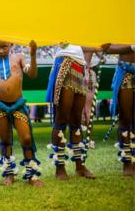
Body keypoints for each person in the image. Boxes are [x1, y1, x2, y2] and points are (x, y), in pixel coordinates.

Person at [0, 39, 43, 187]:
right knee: (5, 140)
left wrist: (33, 55)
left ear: (11, 44)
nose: (0, 51)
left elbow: (32, 74)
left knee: (26, 138)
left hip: (18, 105)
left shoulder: (19, 57)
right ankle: (9, 175)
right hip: (1, 106)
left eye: (3, 47)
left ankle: (32, 175)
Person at [46, 44, 99, 180]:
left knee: (77, 120)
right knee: (62, 118)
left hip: (80, 66)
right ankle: (60, 167)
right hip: (65, 63)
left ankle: (80, 166)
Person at [102, 44, 135, 176]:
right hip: (125, 72)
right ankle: (127, 163)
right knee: (125, 119)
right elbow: (107, 48)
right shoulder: (121, 26)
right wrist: (131, 48)